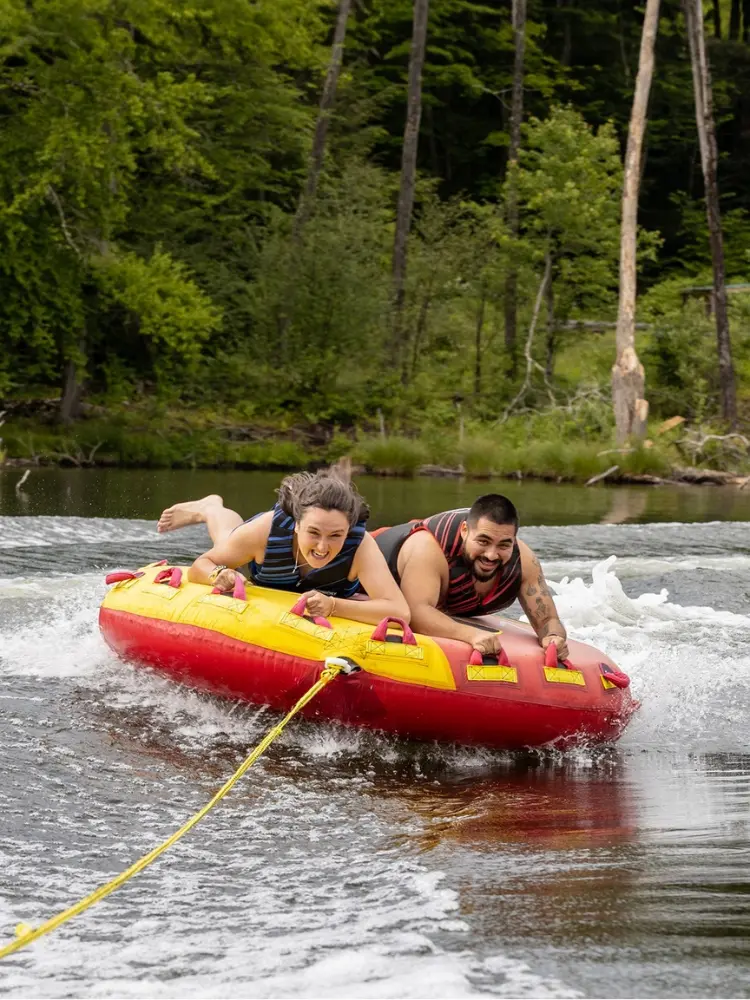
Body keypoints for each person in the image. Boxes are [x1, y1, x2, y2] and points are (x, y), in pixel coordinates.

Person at [157, 463, 410, 627]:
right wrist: (218, 575)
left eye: (335, 535)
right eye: (314, 532)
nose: (323, 547)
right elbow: (201, 564)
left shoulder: (359, 545)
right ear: (297, 524)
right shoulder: (265, 532)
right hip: (258, 551)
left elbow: (399, 612)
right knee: (225, 539)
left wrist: (334, 605)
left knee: (231, 540)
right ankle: (210, 507)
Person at [373, 494, 568, 659]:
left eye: (503, 545)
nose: (491, 555)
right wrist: (470, 635)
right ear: (464, 531)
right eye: (483, 541)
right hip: (373, 553)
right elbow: (415, 613)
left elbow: (547, 619)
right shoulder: (429, 549)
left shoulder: (524, 560)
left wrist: (553, 637)